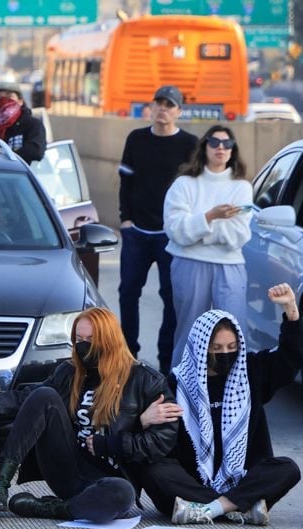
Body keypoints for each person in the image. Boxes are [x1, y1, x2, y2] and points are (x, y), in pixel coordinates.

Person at [0, 307, 179, 523]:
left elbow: (162, 442)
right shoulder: (69, 372)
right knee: (44, 395)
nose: (84, 346)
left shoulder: (146, 380)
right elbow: (23, 399)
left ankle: (52, 508)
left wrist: (115, 442)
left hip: (110, 480)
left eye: (91, 340)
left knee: (122, 494)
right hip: (68, 466)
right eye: (79, 340)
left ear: (110, 340)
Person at [138, 285, 303, 525]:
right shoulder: (176, 384)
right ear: (200, 348)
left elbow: (291, 357)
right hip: (192, 484)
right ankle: (240, 506)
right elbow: (152, 442)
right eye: (216, 349)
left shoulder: (250, 372)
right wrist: (144, 420)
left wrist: (290, 308)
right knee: (154, 470)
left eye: (231, 347)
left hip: (242, 480)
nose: (225, 354)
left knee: (287, 468)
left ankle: (209, 509)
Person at [116, 85, 199, 374]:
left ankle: (167, 362)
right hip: (137, 232)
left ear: (179, 112)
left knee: (172, 297)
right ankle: (128, 357)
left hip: (171, 236)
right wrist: (125, 219)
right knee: (128, 292)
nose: (163, 109)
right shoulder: (136, 139)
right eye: (159, 103)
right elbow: (125, 182)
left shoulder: (190, 144)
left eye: (169, 105)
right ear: (151, 108)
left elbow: (195, 189)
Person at [163, 125, 253, 367]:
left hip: (230, 266)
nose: (220, 147)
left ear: (233, 150)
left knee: (233, 331)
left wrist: (198, 228)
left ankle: (235, 385)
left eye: (227, 143)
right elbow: (175, 230)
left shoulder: (242, 187)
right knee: (189, 329)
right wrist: (211, 216)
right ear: (204, 147)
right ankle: (181, 383)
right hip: (189, 264)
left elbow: (238, 235)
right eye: (214, 142)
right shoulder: (184, 184)